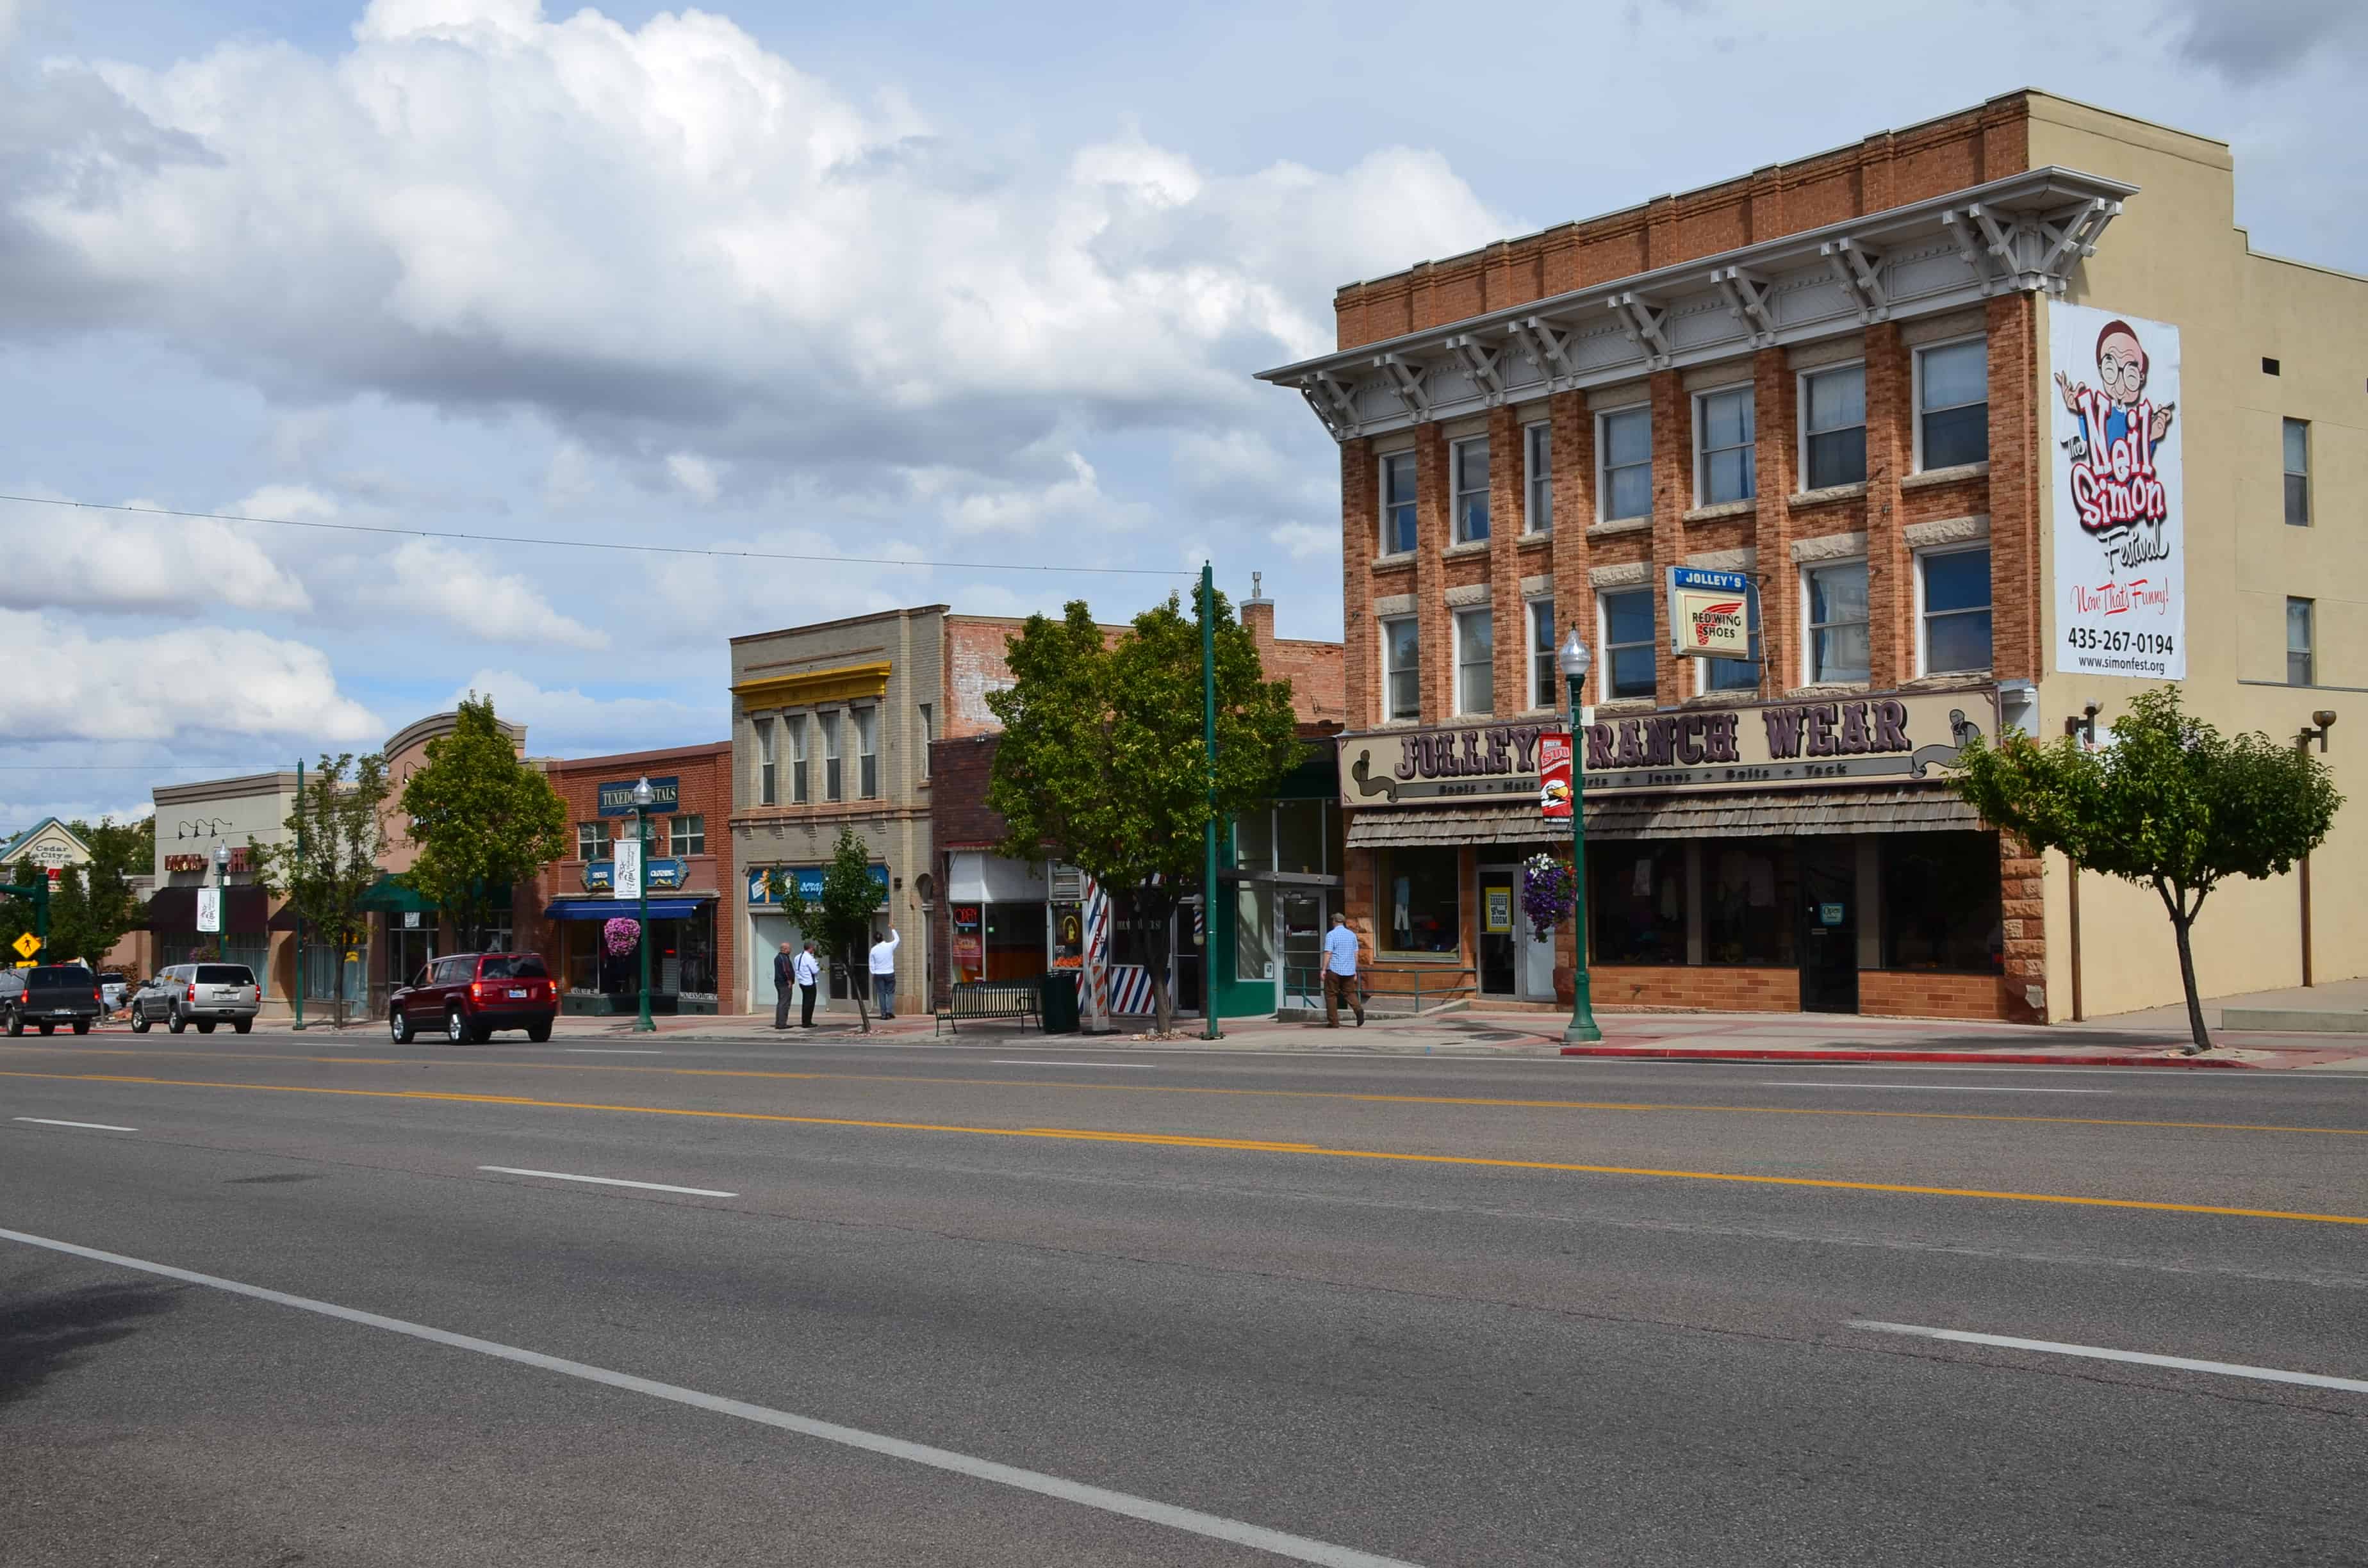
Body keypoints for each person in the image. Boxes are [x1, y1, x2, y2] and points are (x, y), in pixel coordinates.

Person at [1321, 912, 1364, 1028]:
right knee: (1349, 993)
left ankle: (1334, 1022)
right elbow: (1356, 953)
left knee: (1331, 995)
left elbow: (1328, 952)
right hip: (1349, 970)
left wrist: (1324, 969)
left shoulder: (1331, 935)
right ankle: (1358, 1010)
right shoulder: (1352, 935)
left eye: (1332, 921)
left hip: (1334, 969)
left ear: (1334, 921)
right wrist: (1355, 970)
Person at [868, 927, 900, 1018]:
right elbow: (897, 939)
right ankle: (889, 1011)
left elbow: (871, 963)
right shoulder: (889, 946)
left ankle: (883, 1014)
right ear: (883, 938)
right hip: (889, 973)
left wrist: (874, 972)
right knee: (890, 993)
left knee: (881, 994)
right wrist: (893, 929)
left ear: (875, 940)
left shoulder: (874, 950)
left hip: (878, 974)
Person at [794, 941, 821, 1027]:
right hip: (809, 982)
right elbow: (815, 970)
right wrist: (818, 966)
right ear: (810, 948)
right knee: (810, 1003)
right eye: (813, 948)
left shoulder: (798, 957)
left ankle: (805, 1021)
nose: (814, 949)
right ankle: (807, 1022)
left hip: (802, 982)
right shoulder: (809, 958)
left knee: (805, 1002)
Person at [772, 942, 796, 1030]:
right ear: (785, 949)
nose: (790, 950)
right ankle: (782, 1024)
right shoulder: (783, 958)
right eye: (789, 948)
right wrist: (789, 980)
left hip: (780, 982)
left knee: (781, 1002)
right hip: (784, 983)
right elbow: (786, 970)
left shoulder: (778, 957)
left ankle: (780, 1022)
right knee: (784, 1003)